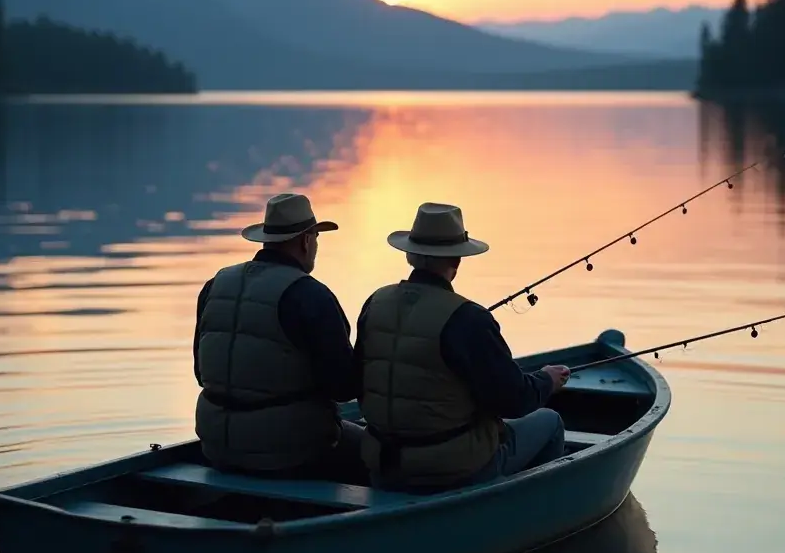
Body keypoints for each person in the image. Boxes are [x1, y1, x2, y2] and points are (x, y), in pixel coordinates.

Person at [354, 202, 569, 491]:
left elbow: (361, 379)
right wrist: (546, 381)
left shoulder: (375, 303)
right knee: (550, 422)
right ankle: (534, 516)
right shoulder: (468, 318)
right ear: (457, 261)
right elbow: (514, 401)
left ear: (409, 255)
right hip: (449, 469)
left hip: (384, 463)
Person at [193, 192, 366, 483]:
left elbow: (202, 373)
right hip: (287, 451)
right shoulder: (309, 294)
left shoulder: (216, 284)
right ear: (306, 240)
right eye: (316, 239)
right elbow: (343, 388)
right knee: (376, 451)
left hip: (216, 443)